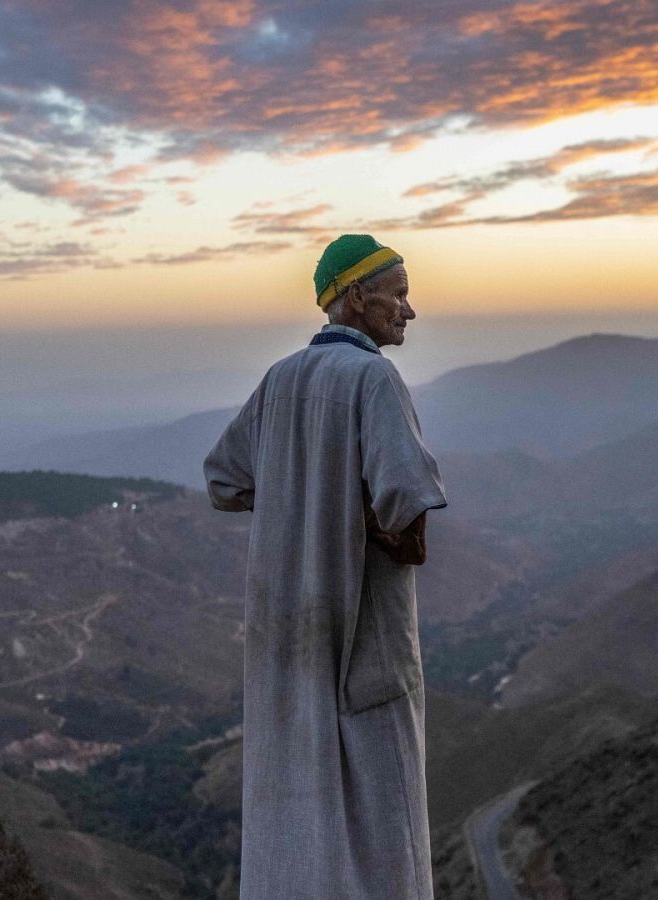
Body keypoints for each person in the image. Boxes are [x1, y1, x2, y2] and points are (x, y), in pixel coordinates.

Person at [204, 234, 447, 898]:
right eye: (398, 295)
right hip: (360, 641)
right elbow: (407, 505)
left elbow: (224, 480)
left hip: (286, 645)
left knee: (297, 824)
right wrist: (368, 525)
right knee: (378, 829)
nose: (409, 310)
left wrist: (300, 505)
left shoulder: (281, 379)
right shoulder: (373, 378)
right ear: (358, 297)